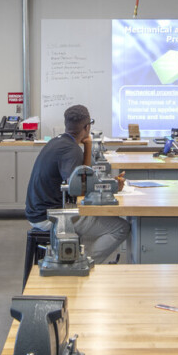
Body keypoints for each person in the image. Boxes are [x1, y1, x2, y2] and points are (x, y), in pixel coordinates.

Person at [23, 104, 129, 264]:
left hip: (36, 210)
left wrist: (87, 146)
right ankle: (84, 263)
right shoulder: (70, 150)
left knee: (99, 218)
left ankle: (79, 257)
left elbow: (82, 175)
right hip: (49, 216)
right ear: (87, 127)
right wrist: (112, 186)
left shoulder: (59, 142)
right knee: (121, 227)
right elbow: (79, 190)